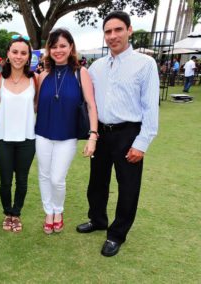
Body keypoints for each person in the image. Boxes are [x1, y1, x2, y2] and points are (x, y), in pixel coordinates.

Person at [76, 11, 159, 257]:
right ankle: (98, 219)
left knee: (128, 187)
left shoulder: (145, 64)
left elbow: (150, 108)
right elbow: (89, 102)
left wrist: (141, 143)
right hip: (101, 132)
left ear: (129, 30)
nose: (113, 36)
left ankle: (117, 234)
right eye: (108, 31)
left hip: (129, 133)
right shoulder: (96, 66)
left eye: (118, 30)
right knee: (97, 181)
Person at [35, 28, 98, 235]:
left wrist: (93, 135)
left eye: (62, 46)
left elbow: (91, 105)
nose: (58, 50)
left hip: (67, 136)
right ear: (49, 49)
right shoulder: (43, 75)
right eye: (54, 46)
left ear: (71, 47)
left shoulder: (81, 73)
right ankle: (48, 212)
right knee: (44, 175)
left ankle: (58, 211)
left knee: (57, 178)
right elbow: (35, 105)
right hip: (42, 133)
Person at [0, 35, 38, 233]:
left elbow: (37, 106)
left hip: (27, 138)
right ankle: (7, 213)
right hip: (2, 138)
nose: (18, 56)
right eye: (15, 52)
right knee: (5, 180)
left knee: (22, 180)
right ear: (8, 55)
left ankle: (16, 214)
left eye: (23, 52)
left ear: (28, 56)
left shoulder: (35, 79)